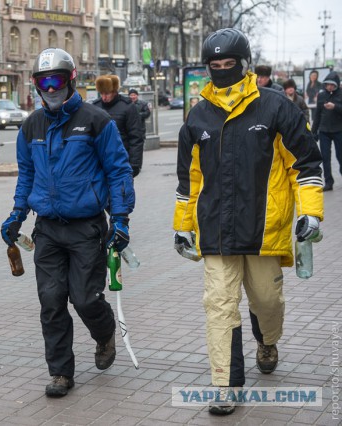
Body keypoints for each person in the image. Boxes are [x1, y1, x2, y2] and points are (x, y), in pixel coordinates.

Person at [173, 28, 324, 416]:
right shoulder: (198, 115)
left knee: (267, 301)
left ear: (245, 65)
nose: (222, 71)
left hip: (264, 231)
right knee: (219, 306)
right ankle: (224, 385)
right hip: (215, 232)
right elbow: (189, 179)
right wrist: (182, 225)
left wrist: (310, 211)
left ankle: (268, 340)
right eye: (215, 66)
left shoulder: (276, 108)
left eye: (229, 65)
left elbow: (305, 164)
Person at [0, 48, 135, 398]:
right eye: (44, 81)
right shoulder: (31, 126)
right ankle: (60, 372)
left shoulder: (95, 121)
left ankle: (104, 334)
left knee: (86, 299)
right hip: (47, 228)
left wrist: (120, 218)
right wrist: (17, 213)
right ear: (35, 85)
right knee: (51, 300)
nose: (50, 87)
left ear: (71, 79)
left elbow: (118, 169)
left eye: (56, 80)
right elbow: (26, 174)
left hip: (86, 226)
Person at [91, 75, 144, 177]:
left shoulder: (127, 107)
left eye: (107, 93)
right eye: (101, 93)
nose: (104, 97)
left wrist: (135, 164)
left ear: (114, 91)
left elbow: (136, 137)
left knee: (121, 192)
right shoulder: (95, 107)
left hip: (121, 162)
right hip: (99, 164)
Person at [311, 71, 342, 192]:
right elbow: (317, 114)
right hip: (324, 131)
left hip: (339, 130)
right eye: (327, 84)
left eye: (332, 84)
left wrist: (335, 107)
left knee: (340, 156)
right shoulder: (321, 95)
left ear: (336, 85)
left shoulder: (340, 94)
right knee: (325, 157)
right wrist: (314, 132)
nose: (329, 86)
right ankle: (328, 182)